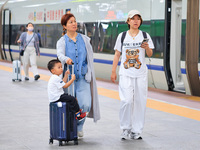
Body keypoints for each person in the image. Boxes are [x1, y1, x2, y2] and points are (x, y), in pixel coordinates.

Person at [111, 10, 154, 140]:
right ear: (128, 21)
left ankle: (137, 130)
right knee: (126, 101)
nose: (136, 21)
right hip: (125, 73)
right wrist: (113, 71)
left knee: (140, 101)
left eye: (138, 19)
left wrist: (146, 48)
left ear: (140, 21)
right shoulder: (122, 36)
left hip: (141, 74)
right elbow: (117, 54)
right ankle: (125, 128)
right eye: (133, 19)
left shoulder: (145, 35)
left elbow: (150, 54)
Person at [56, 13, 100, 137]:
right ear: (64, 26)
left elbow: (89, 56)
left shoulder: (85, 39)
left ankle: (78, 127)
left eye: (75, 21)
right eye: (70, 22)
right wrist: (66, 59)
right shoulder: (62, 41)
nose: (74, 24)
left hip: (83, 77)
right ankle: (71, 128)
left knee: (85, 104)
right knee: (70, 105)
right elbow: (59, 54)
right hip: (69, 78)